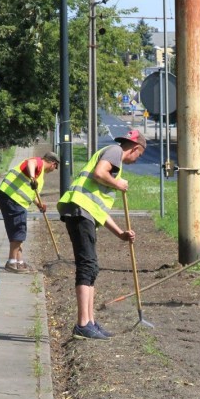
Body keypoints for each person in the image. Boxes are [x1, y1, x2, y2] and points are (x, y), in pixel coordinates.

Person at [57, 129, 147, 340]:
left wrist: (120, 234)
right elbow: (99, 173)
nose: (137, 159)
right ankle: (82, 324)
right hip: (79, 211)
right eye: (140, 155)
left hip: (85, 213)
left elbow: (99, 210)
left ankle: (90, 322)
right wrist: (118, 184)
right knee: (86, 265)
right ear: (135, 148)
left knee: (91, 267)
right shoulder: (115, 151)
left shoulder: (115, 161)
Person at [0, 151, 60, 273]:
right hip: (13, 198)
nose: (54, 169)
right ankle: (11, 262)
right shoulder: (38, 163)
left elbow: (31, 192)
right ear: (53, 163)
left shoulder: (40, 173)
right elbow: (30, 163)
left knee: (17, 230)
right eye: (55, 167)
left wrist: (39, 204)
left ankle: (19, 262)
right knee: (19, 230)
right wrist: (32, 177)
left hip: (12, 198)